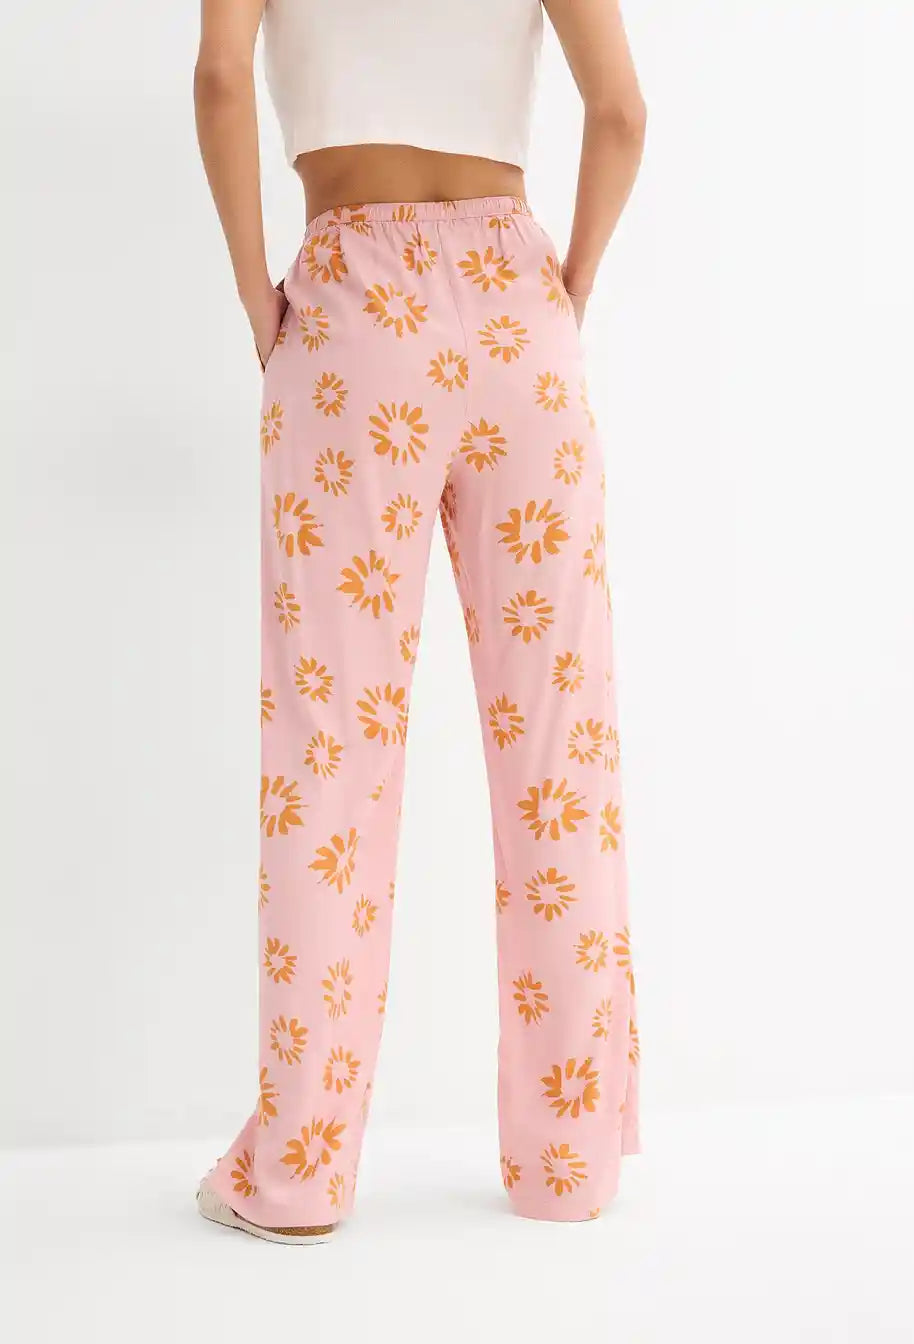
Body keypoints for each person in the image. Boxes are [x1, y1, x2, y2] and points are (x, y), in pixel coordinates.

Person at [193, 0, 646, 1243]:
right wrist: (566, 291)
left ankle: (298, 1173)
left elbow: (222, 83)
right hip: (521, 319)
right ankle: (568, 1161)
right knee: (559, 747)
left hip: (352, 321)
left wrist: (257, 303)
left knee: (331, 748)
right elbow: (619, 113)